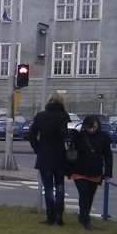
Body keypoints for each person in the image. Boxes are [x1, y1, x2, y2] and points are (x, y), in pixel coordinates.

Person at [28, 93, 70, 225]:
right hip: (59, 155)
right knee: (59, 185)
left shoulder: (40, 116)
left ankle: (50, 216)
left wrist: (37, 148)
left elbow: (31, 134)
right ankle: (59, 214)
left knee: (48, 188)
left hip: (44, 155)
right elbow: (63, 133)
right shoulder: (63, 116)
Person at [67, 115, 113, 230]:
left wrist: (108, 171)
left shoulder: (104, 137)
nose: (91, 130)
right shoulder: (79, 136)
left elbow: (108, 154)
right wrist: (68, 170)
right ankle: (86, 220)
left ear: (98, 125)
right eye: (89, 127)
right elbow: (71, 151)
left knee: (90, 196)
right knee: (84, 195)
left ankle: (83, 216)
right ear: (84, 126)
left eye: (94, 127)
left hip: (95, 170)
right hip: (79, 170)